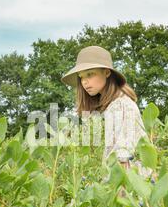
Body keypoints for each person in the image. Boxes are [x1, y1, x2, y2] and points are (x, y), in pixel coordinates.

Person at [60, 45, 153, 180]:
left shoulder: (121, 105)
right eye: (81, 77)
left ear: (107, 72)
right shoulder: (112, 107)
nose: (85, 82)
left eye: (90, 74)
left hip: (130, 187)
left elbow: (123, 158)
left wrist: (117, 195)